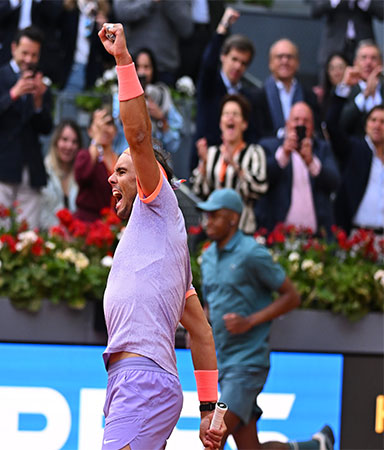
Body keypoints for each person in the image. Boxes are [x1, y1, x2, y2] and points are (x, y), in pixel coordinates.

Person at [97, 22, 225, 449]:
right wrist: (209, 410)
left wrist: (123, 61)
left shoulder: (157, 202)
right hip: (134, 384)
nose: (111, 179)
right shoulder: (162, 245)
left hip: (142, 383)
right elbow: (201, 333)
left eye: (121, 171)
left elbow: (137, 135)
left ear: (152, 177)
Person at [197, 188, 335, 450]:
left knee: (214, 435)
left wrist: (249, 321)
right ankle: (314, 447)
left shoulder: (252, 253)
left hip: (248, 365)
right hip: (224, 365)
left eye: (215, 216)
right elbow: (209, 307)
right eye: (207, 216)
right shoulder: (208, 257)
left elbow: (291, 297)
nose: (208, 222)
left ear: (233, 220)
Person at [0, 26, 53, 230]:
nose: (29, 59)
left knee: (28, 238)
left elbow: (45, 128)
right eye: (25, 53)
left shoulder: (41, 85)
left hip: (30, 170)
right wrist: (13, 94)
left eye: (34, 55)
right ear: (13, 49)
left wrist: (37, 102)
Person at [191, 7, 261, 171]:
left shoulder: (247, 96)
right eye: (234, 59)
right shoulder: (210, 84)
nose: (238, 66)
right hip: (205, 163)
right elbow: (208, 64)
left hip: (236, 167)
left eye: (243, 63)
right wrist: (223, 27)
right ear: (223, 57)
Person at [256, 102, 340, 234]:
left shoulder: (322, 148)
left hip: (316, 237)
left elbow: (334, 182)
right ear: (287, 123)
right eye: (296, 120)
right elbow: (261, 180)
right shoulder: (270, 146)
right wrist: (284, 154)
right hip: (278, 236)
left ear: (312, 126)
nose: (300, 124)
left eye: (306, 121)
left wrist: (311, 162)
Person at [191, 94, 268, 234]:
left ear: (244, 124)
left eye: (235, 114)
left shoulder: (254, 152)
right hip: (212, 229)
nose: (230, 117)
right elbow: (199, 192)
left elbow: (259, 188)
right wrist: (203, 163)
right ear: (221, 123)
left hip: (242, 229)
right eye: (226, 114)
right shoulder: (211, 153)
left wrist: (234, 165)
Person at [326, 66, 384, 234]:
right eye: (373, 120)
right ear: (365, 125)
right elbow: (331, 125)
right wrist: (344, 87)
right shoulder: (354, 149)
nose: (377, 125)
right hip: (357, 234)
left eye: (382, 121)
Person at [112, 47, 183, 155]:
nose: (142, 73)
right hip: (128, 158)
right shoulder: (121, 95)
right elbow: (114, 134)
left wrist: (161, 119)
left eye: (146, 67)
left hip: (155, 161)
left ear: (153, 69)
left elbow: (174, 144)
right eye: (138, 67)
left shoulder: (162, 96)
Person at [112, 0, 193, 86]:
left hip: (165, 66)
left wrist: (169, 3)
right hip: (134, 64)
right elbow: (122, 13)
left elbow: (186, 29)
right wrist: (151, 2)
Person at [260, 38, 319, 139]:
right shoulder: (259, 96)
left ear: (298, 63)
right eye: (279, 57)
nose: (285, 61)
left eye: (289, 57)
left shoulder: (309, 96)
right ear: (270, 63)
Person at [311, 0, 383, 80]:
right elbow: (315, 10)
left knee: (367, 78)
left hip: (363, 44)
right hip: (334, 45)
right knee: (333, 80)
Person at [74, 107, 117, 222]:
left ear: (115, 131)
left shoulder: (120, 160)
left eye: (108, 124)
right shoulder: (84, 155)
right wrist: (97, 140)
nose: (104, 129)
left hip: (113, 223)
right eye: (98, 125)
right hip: (87, 222)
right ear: (89, 131)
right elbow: (82, 177)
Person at [40, 119, 81, 229]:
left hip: (77, 238)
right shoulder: (44, 171)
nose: (69, 146)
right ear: (56, 142)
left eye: (74, 142)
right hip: (48, 236)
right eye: (64, 139)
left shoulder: (82, 175)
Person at [338, 40, 383, 136]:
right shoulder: (346, 90)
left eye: (373, 58)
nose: (368, 62)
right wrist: (365, 94)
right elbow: (341, 123)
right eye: (364, 58)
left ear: (381, 64)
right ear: (355, 63)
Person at [313, 52, 349, 124]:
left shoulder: (355, 94)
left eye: (340, 67)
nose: (337, 72)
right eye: (332, 68)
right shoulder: (322, 97)